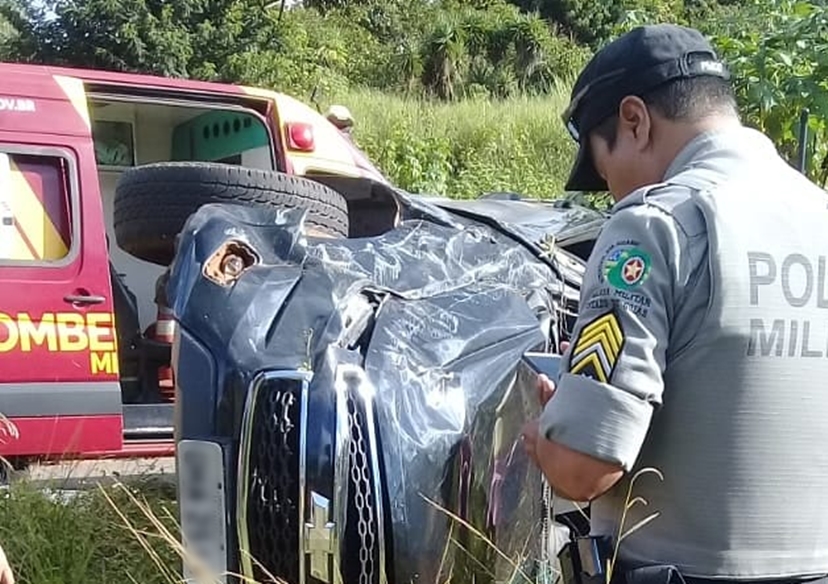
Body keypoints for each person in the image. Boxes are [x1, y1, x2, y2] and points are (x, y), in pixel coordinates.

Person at [521, 23, 828, 584]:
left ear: (634, 121)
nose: (613, 190)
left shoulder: (653, 225)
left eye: (603, 167)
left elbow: (583, 467)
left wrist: (550, 428)